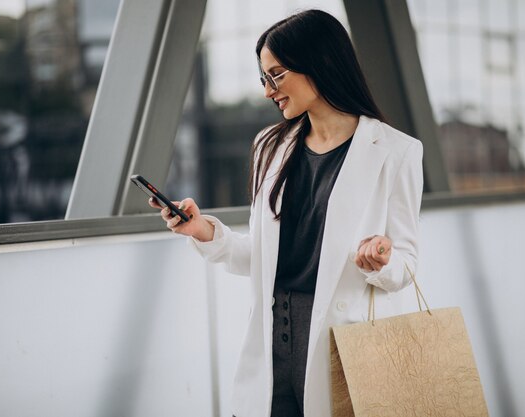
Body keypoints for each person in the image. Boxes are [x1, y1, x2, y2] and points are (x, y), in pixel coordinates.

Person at [149, 9, 424, 417]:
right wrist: (203, 230)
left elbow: (406, 263)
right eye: (264, 78)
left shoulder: (397, 151)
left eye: (276, 75)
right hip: (273, 338)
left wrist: (381, 258)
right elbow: (262, 258)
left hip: (342, 344)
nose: (267, 91)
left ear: (318, 63)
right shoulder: (270, 147)